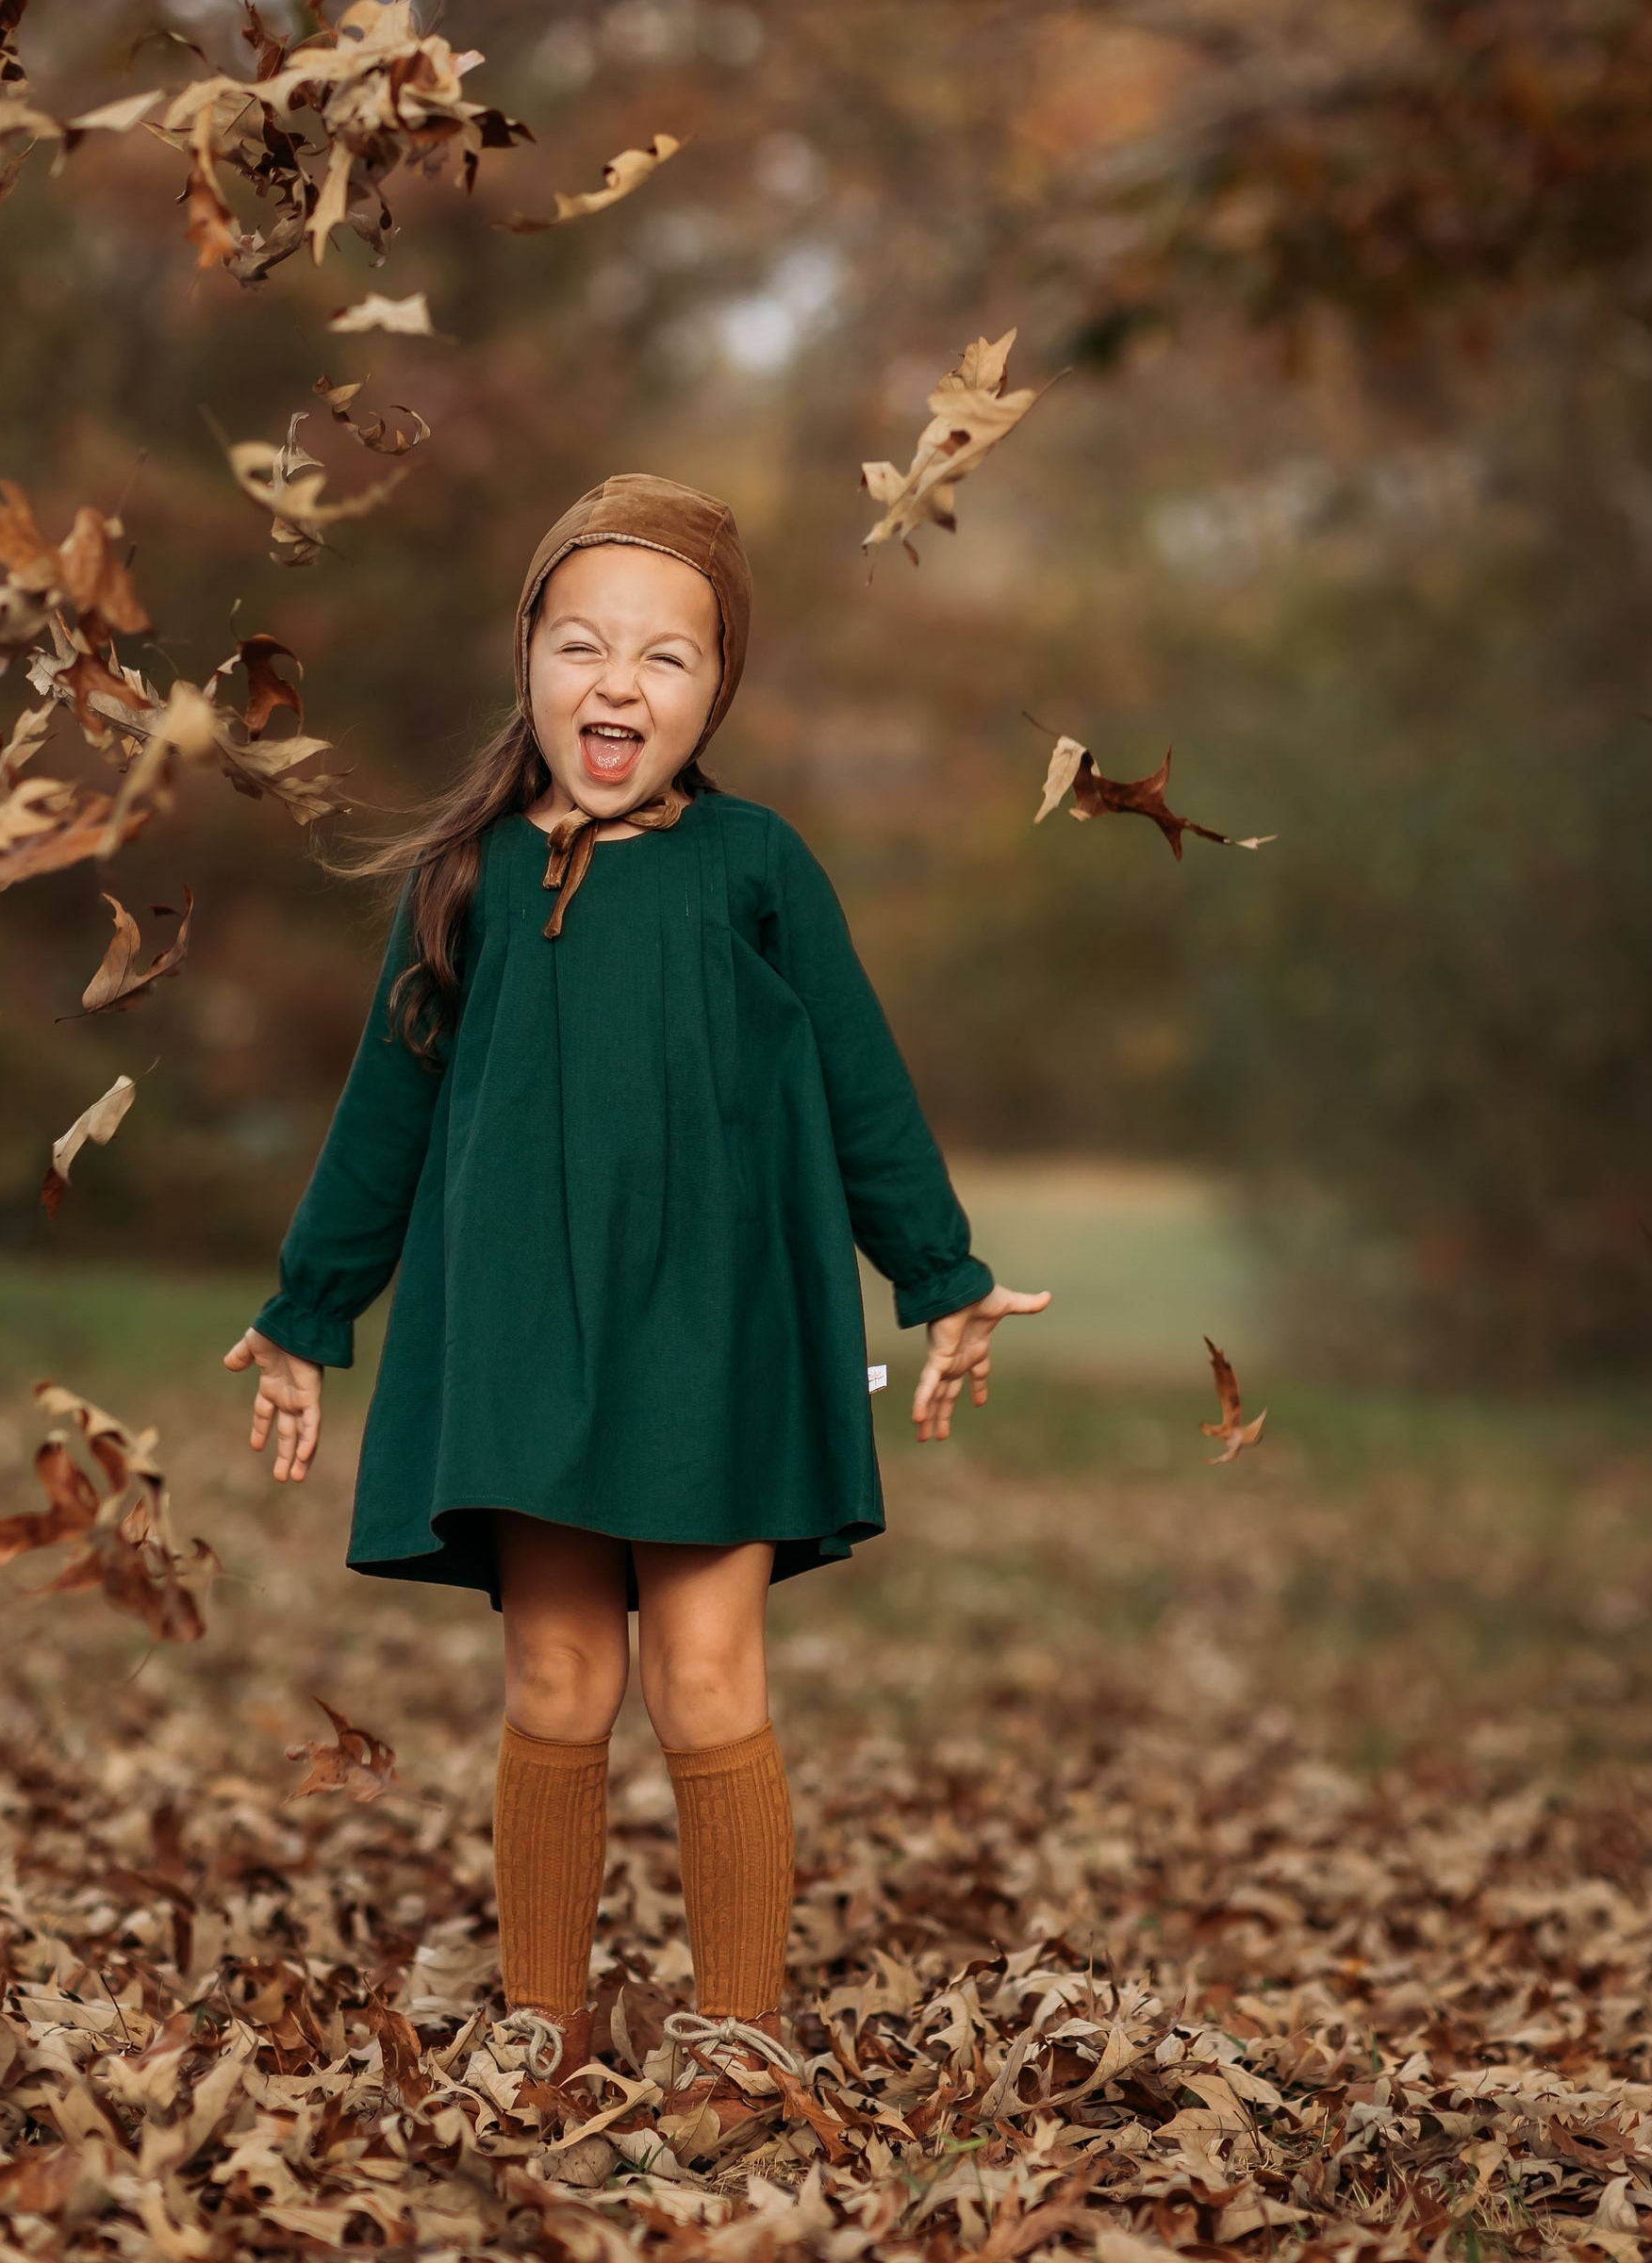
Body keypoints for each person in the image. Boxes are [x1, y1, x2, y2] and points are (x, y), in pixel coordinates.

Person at [221, 472, 1049, 2131]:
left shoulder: (756, 867)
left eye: (667, 659)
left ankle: (739, 2029)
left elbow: (865, 1089)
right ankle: (545, 2018)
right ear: (527, 659)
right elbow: (385, 1116)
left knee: (710, 1671)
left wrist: (940, 1271)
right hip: (525, 1333)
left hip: (716, 1330)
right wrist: (312, 1310)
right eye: (585, 645)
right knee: (554, 1679)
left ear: (714, 690)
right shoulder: (462, 881)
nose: (621, 684)